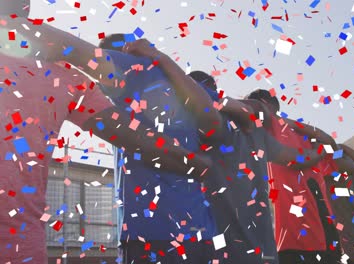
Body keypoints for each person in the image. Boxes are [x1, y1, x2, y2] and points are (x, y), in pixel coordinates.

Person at [0, 6, 212, 263]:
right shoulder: (67, 78)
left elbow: (78, 53)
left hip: (157, 233)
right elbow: (143, 141)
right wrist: (196, 162)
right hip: (25, 249)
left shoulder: (77, 76)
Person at [97, 35, 222, 263]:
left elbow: (232, 108)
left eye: (107, 61)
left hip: (175, 236)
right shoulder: (109, 109)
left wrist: (161, 59)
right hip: (148, 235)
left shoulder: (180, 91)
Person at [188, 75, 325, 263]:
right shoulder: (253, 128)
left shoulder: (236, 125)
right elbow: (295, 157)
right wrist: (318, 152)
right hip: (262, 251)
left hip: (224, 250)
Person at [246, 90, 342, 263]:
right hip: (290, 236)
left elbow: (330, 144)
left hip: (316, 232)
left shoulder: (294, 132)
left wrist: (288, 123)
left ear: (266, 104)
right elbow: (326, 144)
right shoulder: (262, 132)